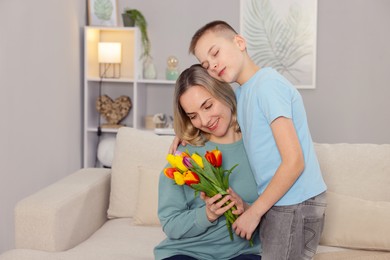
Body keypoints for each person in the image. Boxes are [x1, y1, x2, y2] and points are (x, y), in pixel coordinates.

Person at [172, 20, 327, 260]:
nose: (213, 65)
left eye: (215, 53)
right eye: (206, 64)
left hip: (296, 202)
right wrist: (182, 133)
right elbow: (214, 117)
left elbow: (294, 161)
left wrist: (254, 212)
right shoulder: (244, 92)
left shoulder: (268, 86)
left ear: (240, 42)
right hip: (281, 202)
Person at [154, 64, 262, 260]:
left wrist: (247, 209)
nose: (204, 121)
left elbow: (282, 214)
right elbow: (170, 224)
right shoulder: (183, 157)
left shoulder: (259, 146)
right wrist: (207, 214)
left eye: (207, 105)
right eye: (193, 116)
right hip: (186, 252)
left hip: (244, 253)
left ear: (224, 93)